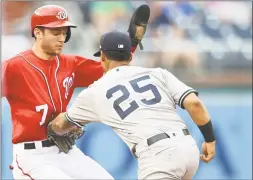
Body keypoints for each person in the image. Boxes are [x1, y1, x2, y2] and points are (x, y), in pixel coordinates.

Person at [1, 4, 150, 179]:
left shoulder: (71, 64)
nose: (62, 38)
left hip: (65, 151)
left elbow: (111, 69)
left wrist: (131, 43)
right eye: (56, 32)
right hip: (33, 157)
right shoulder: (15, 66)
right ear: (38, 33)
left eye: (65, 32)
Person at [48, 31, 216, 180]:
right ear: (130, 57)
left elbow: (62, 124)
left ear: (102, 57)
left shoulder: (95, 91)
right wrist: (209, 139)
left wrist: (51, 128)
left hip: (158, 156)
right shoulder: (158, 73)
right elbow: (194, 103)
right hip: (188, 148)